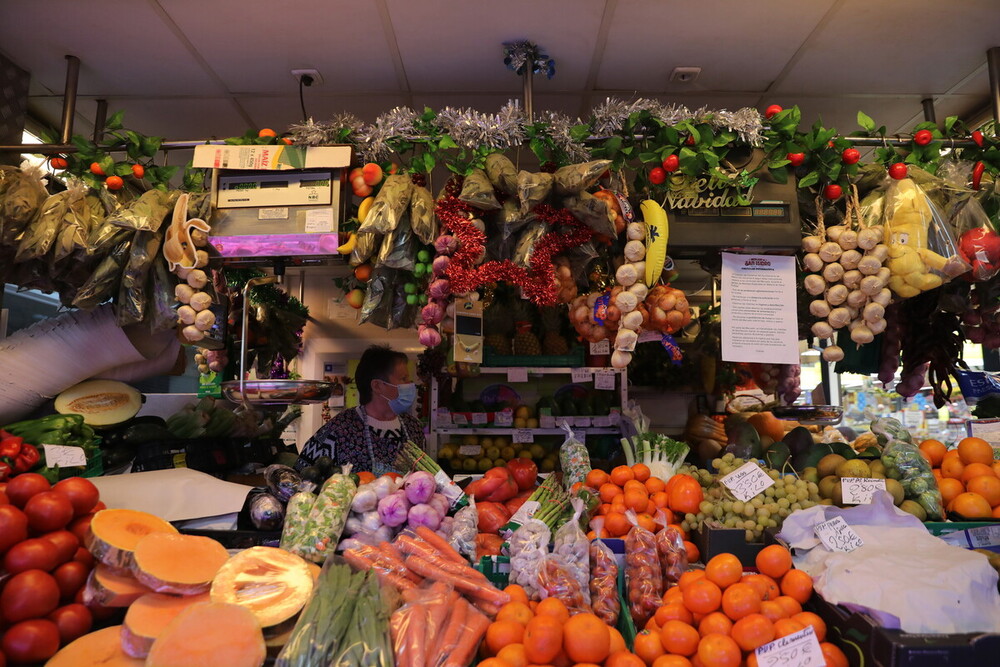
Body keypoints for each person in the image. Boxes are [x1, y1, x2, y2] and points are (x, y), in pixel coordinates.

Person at [296, 345, 425, 475]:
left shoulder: (413, 427)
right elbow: (304, 478)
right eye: (403, 379)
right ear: (377, 386)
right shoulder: (338, 430)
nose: (410, 383)